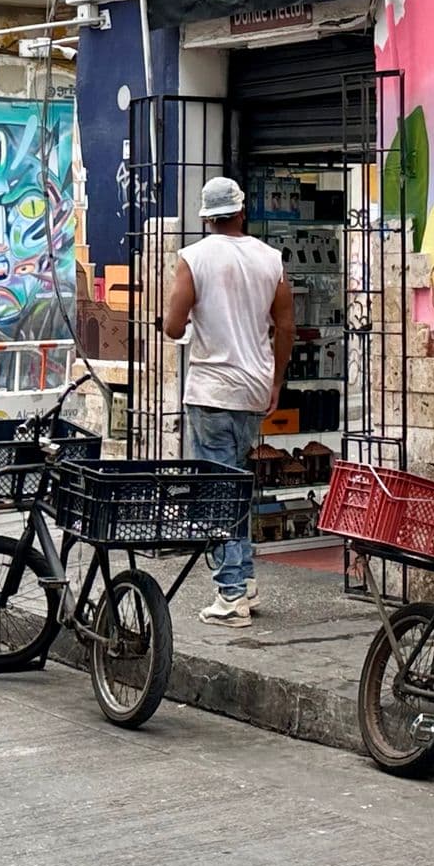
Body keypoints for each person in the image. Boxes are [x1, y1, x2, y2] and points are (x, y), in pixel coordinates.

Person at [162, 176, 293, 630]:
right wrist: (275, 381)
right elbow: (287, 326)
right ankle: (247, 580)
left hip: (212, 391)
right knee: (237, 485)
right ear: (241, 212)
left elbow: (172, 326)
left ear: (205, 217)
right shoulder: (270, 259)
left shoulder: (193, 259)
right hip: (254, 389)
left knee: (215, 493)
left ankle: (231, 594)